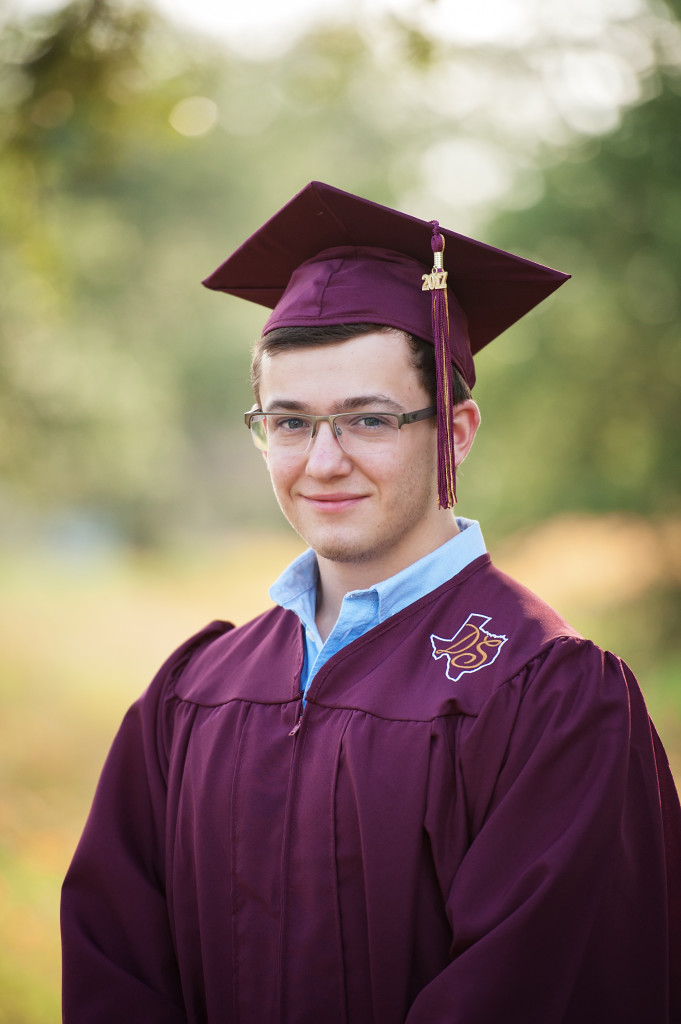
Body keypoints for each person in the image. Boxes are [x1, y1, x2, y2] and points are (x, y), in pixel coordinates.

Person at [61, 181, 681, 1023]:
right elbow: (114, 964)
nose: (321, 462)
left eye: (368, 420)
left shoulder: (551, 696)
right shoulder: (193, 690)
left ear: (454, 431)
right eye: (289, 423)